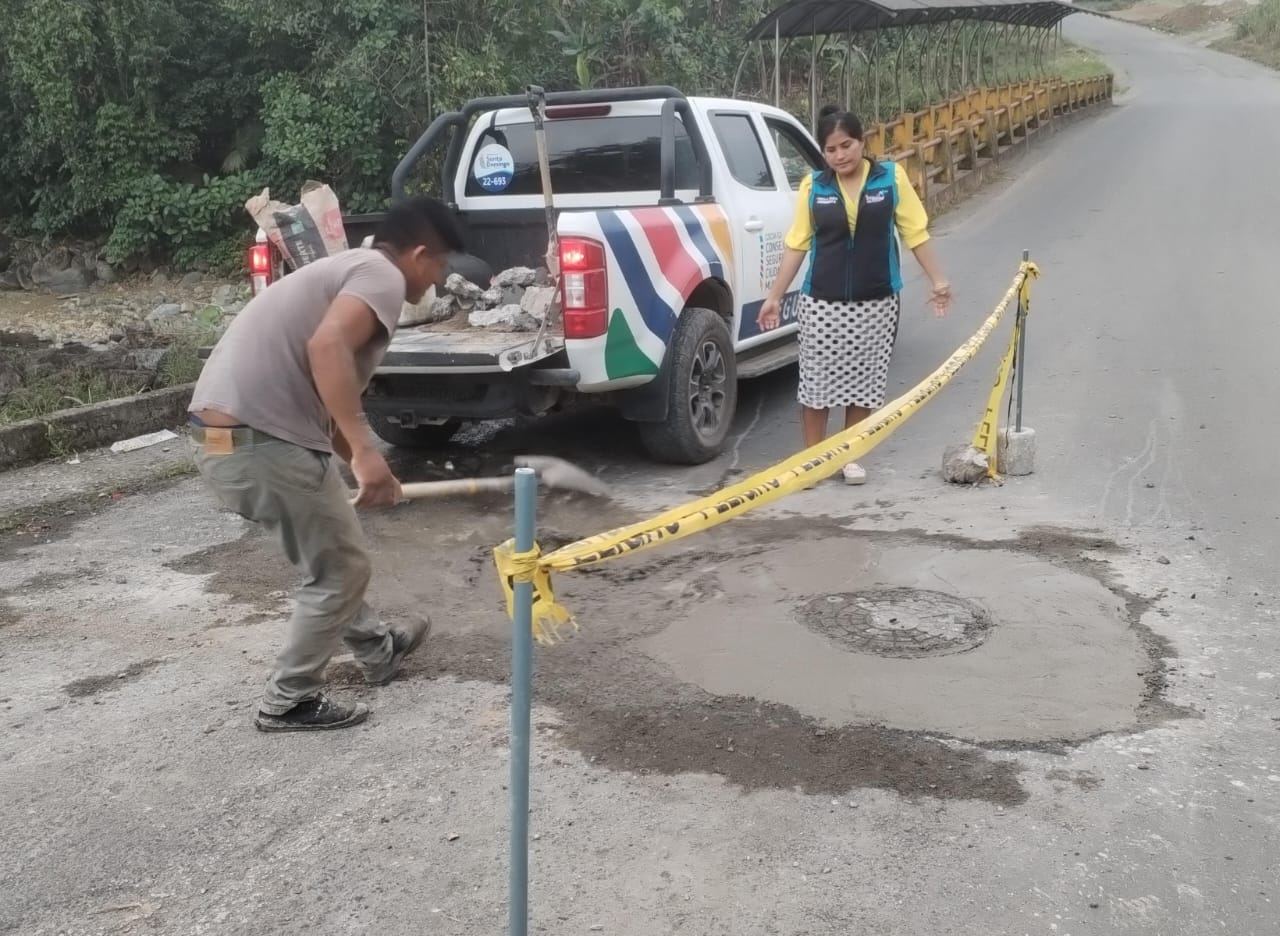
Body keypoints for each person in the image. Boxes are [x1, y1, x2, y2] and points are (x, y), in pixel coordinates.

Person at [188, 196, 465, 732]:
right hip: (263, 443)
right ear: (420, 254)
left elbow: (328, 399)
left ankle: (378, 650)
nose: (438, 278)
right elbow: (327, 348)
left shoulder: (347, 269)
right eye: (440, 264)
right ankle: (288, 700)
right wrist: (366, 451)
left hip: (225, 443)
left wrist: (365, 463)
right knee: (341, 569)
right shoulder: (381, 275)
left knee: (332, 552)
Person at [758, 104, 953, 485]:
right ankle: (813, 460)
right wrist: (775, 296)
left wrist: (938, 281)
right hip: (821, 303)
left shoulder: (890, 178)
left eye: (846, 145)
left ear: (863, 142)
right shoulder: (814, 186)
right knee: (816, 383)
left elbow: (915, 232)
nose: (840, 155)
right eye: (830, 149)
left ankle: (850, 456)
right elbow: (797, 243)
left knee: (864, 382)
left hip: (877, 302)